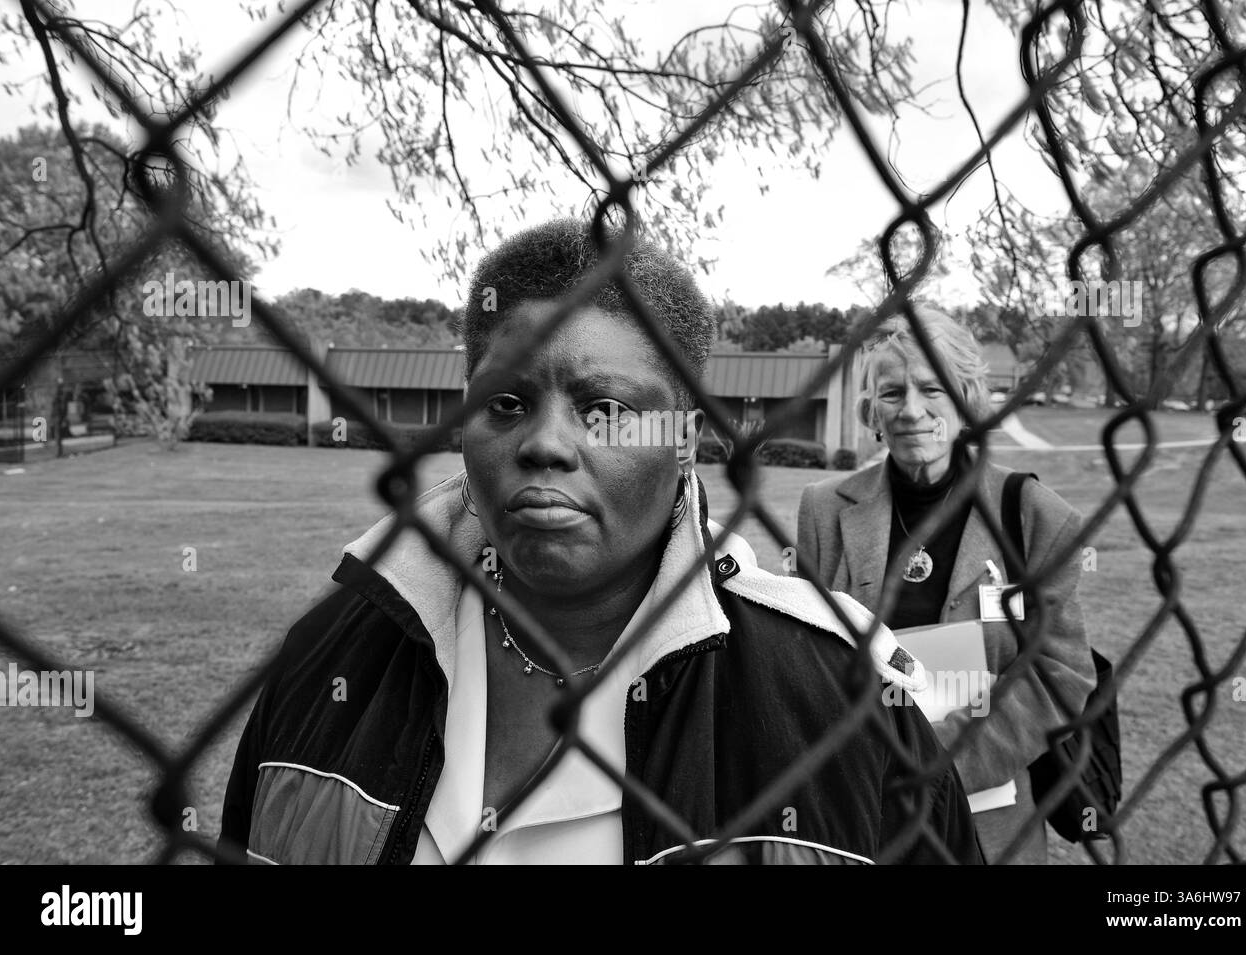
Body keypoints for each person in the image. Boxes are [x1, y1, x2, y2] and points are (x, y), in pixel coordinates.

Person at [219, 221, 982, 865]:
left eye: (605, 408)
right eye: (507, 402)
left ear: (685, 440)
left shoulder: (844, 699)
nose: (545, 444)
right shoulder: (325, 658)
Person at [795, 308, 1096, 864]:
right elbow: (802, 655)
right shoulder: (823, 510)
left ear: (965, 399)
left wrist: (937, 758)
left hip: (989, 822)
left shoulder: (1032, 515)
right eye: (891, 394)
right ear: (872, 412)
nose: (912, 410)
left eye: (932, 388)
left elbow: (1062, 672)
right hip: (862, 810)